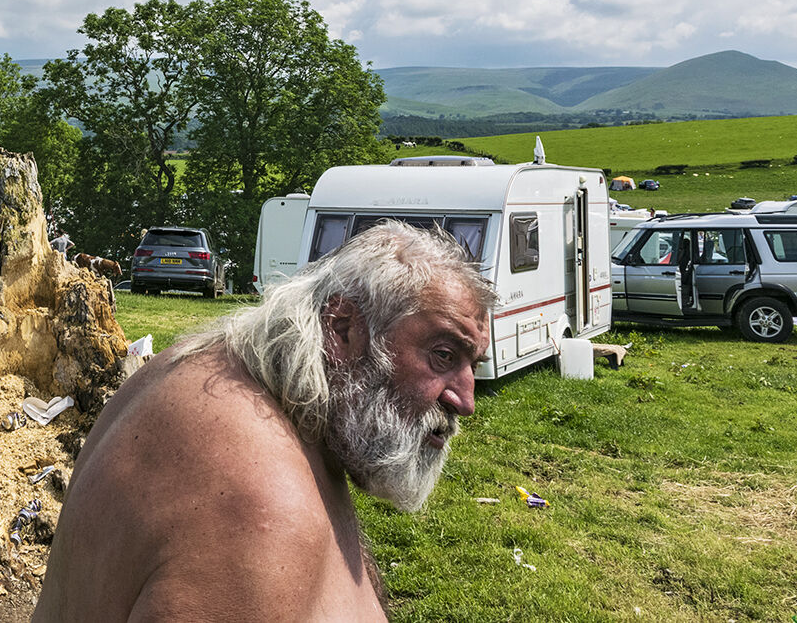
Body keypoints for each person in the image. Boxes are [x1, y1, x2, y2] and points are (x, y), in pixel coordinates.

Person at [32, 222, 493, 623]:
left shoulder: (204, 367)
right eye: (443, 355)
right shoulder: (256, 503)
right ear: (343, 327)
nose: (466, 400)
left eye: (471, 364)